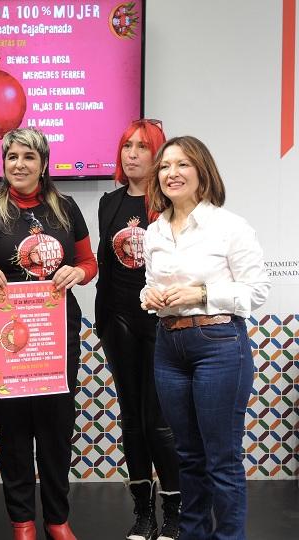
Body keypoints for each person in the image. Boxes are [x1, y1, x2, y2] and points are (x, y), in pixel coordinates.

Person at [0, 127, 97, 540]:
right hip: (4, 335)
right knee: (14, 428)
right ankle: (21, 521)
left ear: (43, 163)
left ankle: (57, 520)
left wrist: (77, 272)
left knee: (57, 428)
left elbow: (89, 264)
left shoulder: (67, 208)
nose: (18, 164)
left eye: (27, 157)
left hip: (56, 332)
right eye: (11, 157)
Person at [141, 136, 270, 540]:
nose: (171, 173)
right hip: (168, 346)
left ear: (202, 172)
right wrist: (150, 296)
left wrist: (203, 294)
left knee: (222, 460)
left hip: (219, 345)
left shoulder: (229, 226)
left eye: (182, 165)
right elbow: (149, 287)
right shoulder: (155, 230)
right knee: (188, 457)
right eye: (164, 166)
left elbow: (259, 290)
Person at [95, 119, 181, 540]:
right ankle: (143, 513)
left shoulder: (171, 205)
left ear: (158, 155)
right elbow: (107, 267)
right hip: (118, 322)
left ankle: (175, 511)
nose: (132, 154)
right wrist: (104, 320)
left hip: (162, 325)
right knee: (131, 420)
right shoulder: (108, 203)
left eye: (142, 147)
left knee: (158, 423)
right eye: (127, 145)